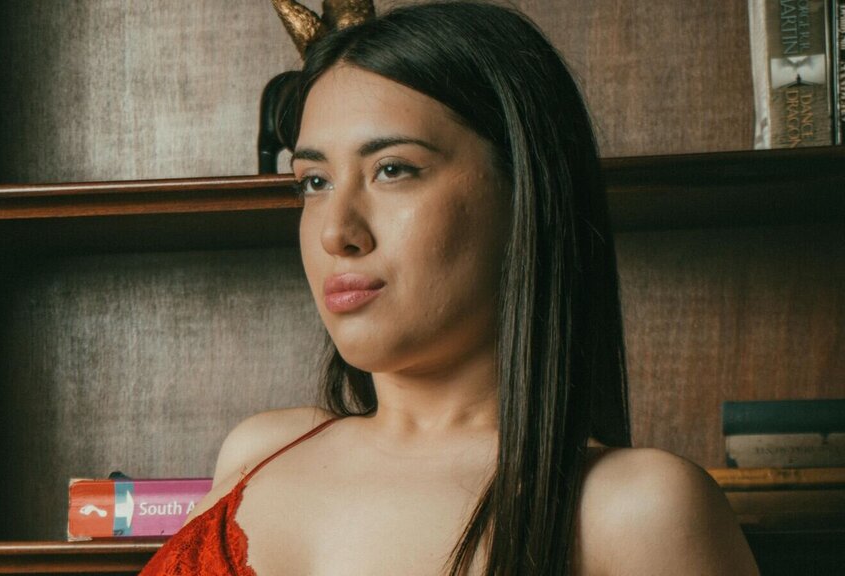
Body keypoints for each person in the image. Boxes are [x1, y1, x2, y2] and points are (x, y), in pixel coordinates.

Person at [140, 2, 760, 574]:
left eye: (392, 170)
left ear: (525, 192)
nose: (335, 232)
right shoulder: (257, 450)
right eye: (314, 181)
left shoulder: (637, 510)